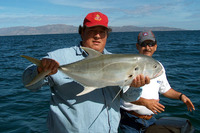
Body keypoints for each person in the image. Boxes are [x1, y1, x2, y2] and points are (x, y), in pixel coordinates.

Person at [22, 12, 150, 133]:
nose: (97, 36)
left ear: (107, 35)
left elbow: (129, 98)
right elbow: (29, 84)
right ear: (82, 32)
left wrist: (135, 87)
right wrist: (40, 69)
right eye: (92, 31)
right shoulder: (59, 57)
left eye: (102, 32)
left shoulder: (118, 62)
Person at [119, 30, 195, 133]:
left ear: (156, 46)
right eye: (143, 44)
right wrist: (145, 102)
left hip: (151, 120)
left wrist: (181, 96)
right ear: (137, 46)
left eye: (151, 44)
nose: (147, 47)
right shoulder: (129, 65)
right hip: (129, 121)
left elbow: (165, 90)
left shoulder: (158, 67)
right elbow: (122, 94)